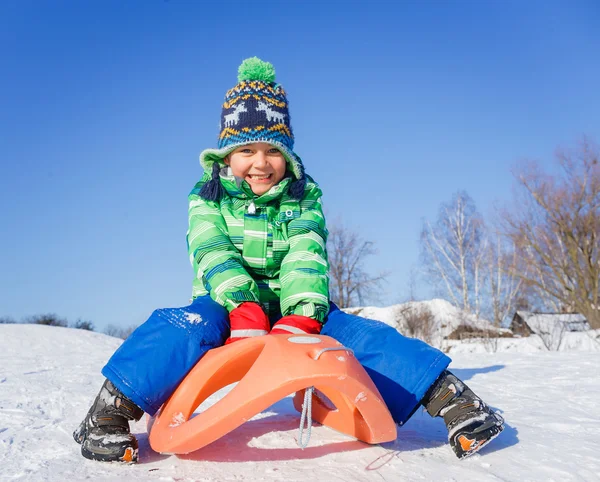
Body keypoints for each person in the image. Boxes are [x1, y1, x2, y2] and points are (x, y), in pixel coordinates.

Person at [73, 57, 504, 463]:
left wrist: (302, 315)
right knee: (186, 328)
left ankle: (448, 397)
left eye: (273, 151)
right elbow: (210, 250)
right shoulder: (207, 197)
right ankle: (113, 407)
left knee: (355, 334)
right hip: (224, 303)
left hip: (298, 305)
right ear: (226, 156)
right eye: (247, 151)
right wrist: (241, 305)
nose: (260, 163)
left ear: (288, 155)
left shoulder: (304, 199)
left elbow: (306, 255)